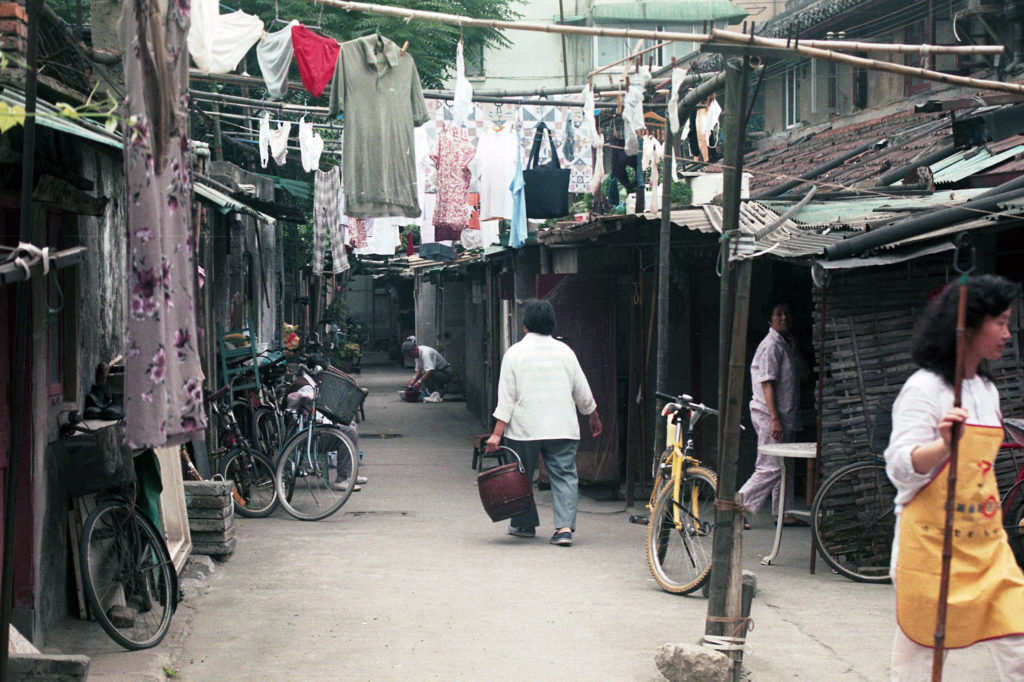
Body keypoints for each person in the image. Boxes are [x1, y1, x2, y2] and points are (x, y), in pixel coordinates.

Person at [884, 274, 1024, 681]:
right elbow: (899, 466)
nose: (1007, 333)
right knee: (919, 664)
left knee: (1018, 642)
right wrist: (944, 445)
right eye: (999, 322)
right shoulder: (924, 389)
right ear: (968, 326)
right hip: (930, 548)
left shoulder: (985, 389)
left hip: (986, 546)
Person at [484, 299, 603, 547]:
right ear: (552, 324)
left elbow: (507, 398)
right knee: (564, 476)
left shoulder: (514, 353)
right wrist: (592, 415)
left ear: (525, 325)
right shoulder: (565, 352)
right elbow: (582, 390)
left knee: (520, 476)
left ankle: (524, 524)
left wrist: (496, 434)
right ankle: (564, 529)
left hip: (525, 429)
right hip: (562, 428)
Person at [738, 302, 803, 528]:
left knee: (785, 465)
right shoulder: (770, 346)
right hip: (769, 413)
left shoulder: (784, 344)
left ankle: (783, 512)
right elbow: (767, 384)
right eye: (778, 314)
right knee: (771, 466)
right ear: (770, 320)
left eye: (787, 313)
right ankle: (737, 507)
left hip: (783, 414)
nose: (784, 317)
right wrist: (775, 418)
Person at [400, 336, 452, 402]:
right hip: (437, 372)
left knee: (426, 374)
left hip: (445, 373)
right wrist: (413, 381)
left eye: (411, 355)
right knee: (421, 376)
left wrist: (419, 382)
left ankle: (431, 393)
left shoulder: (425, 353)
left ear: (414, 349)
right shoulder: (418, 355)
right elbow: (418, 370)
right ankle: (432, 393)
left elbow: (430, 370)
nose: (411, 357)